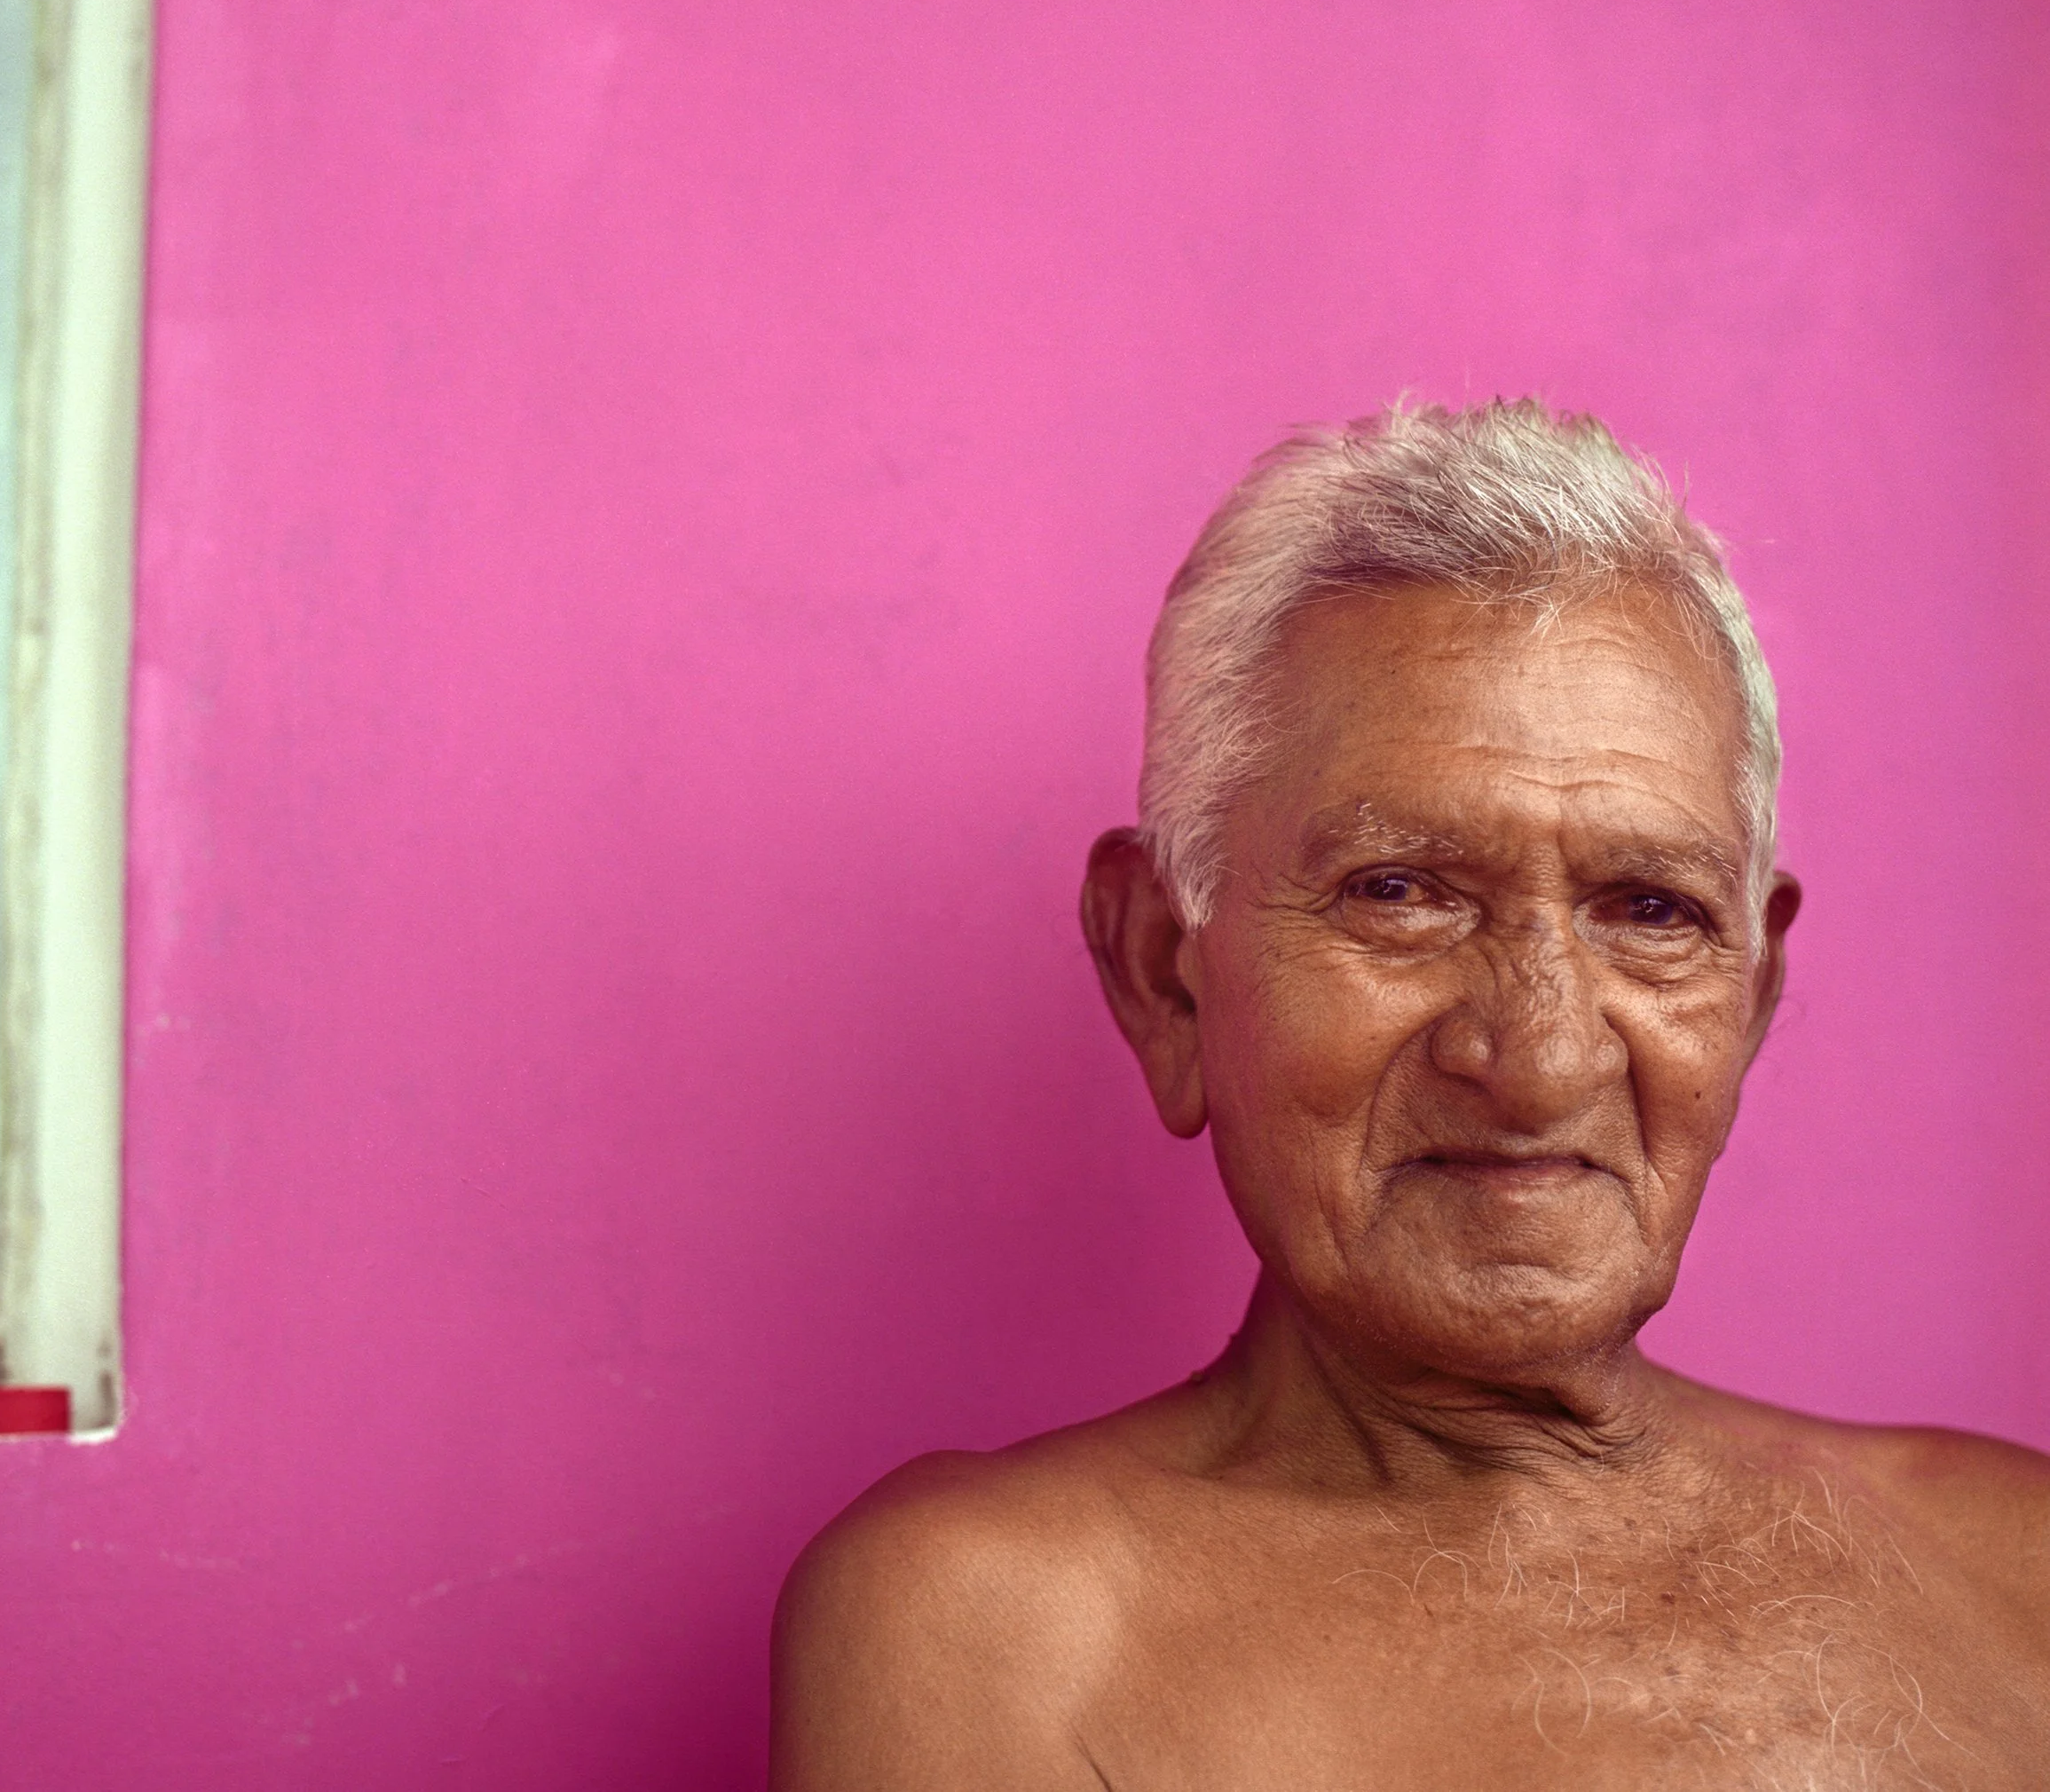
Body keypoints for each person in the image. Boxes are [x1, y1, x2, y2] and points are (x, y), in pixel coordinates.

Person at [770, 400, 2050, 1789]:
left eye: (1648, 908)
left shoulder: (2012, 1564)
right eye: (1399, 893)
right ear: (1166, 975)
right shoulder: (996, 1630)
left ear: (1746, 996)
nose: (1542, 1056)